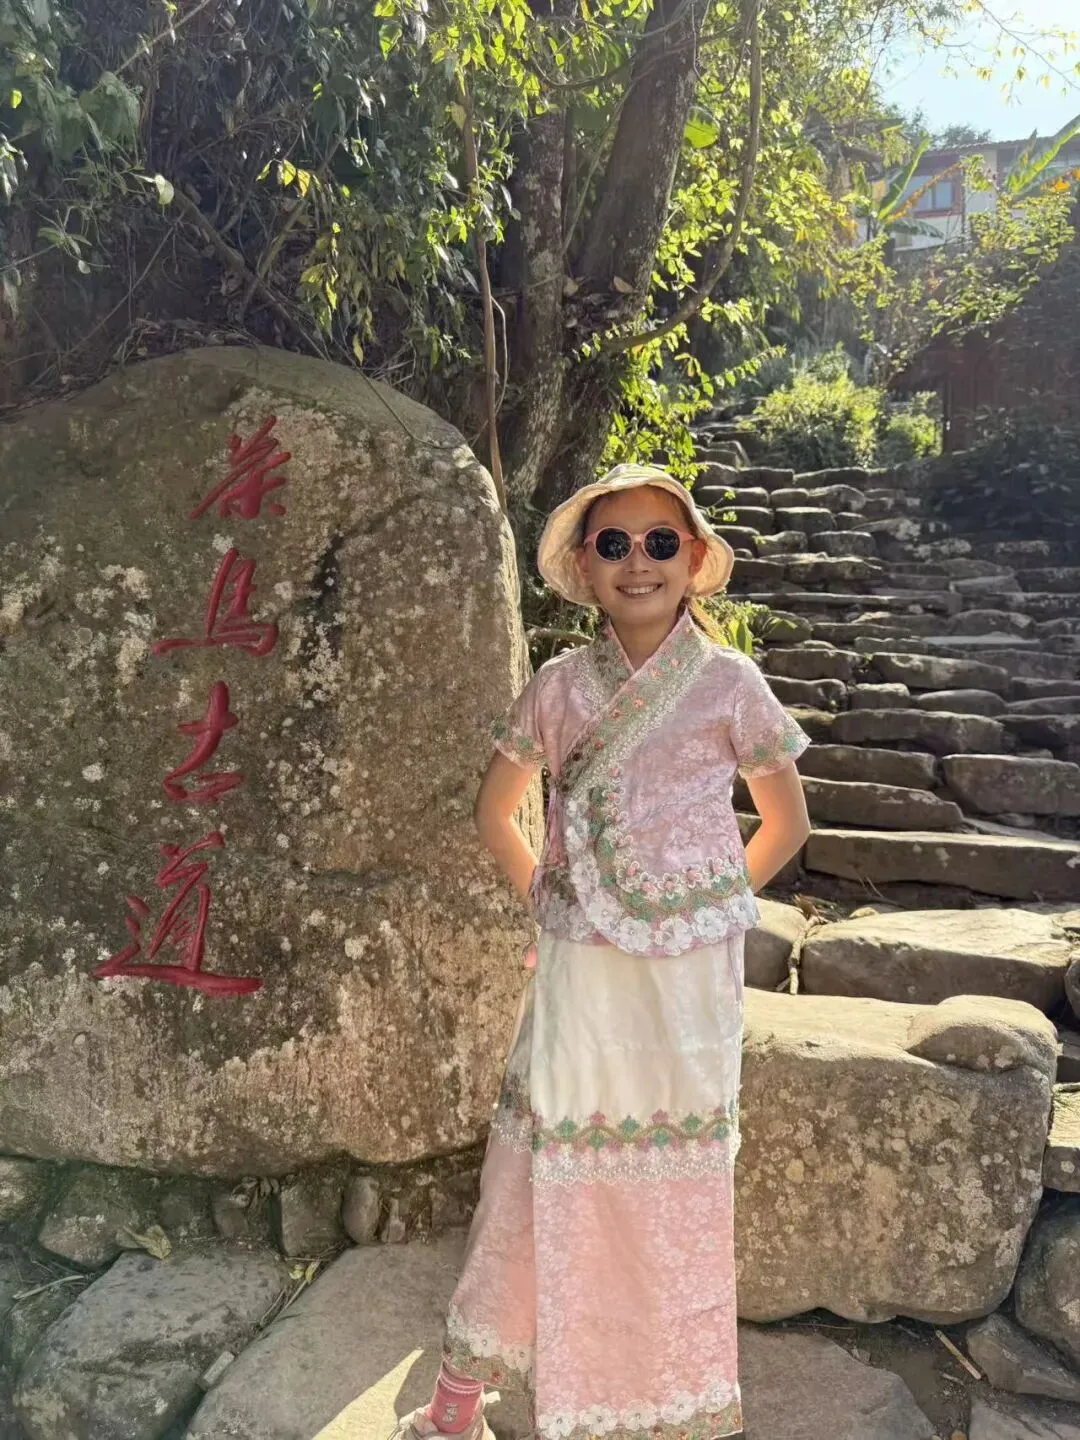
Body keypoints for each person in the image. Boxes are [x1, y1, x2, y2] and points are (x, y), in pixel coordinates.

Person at [397, 463, 811, 1440]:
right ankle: (459, 1402)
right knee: (538, 1166)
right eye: (613, 543)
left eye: (660, 542)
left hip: (687, 990)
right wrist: (550, 898)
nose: (638, 562)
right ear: (584, 566)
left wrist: (703, 909)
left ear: (695, 559)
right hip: (580, 969)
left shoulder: (730, 684)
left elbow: (787, 822)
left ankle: (661, 1412)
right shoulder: (556, 688)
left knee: (674, 1186)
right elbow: (496, 812)